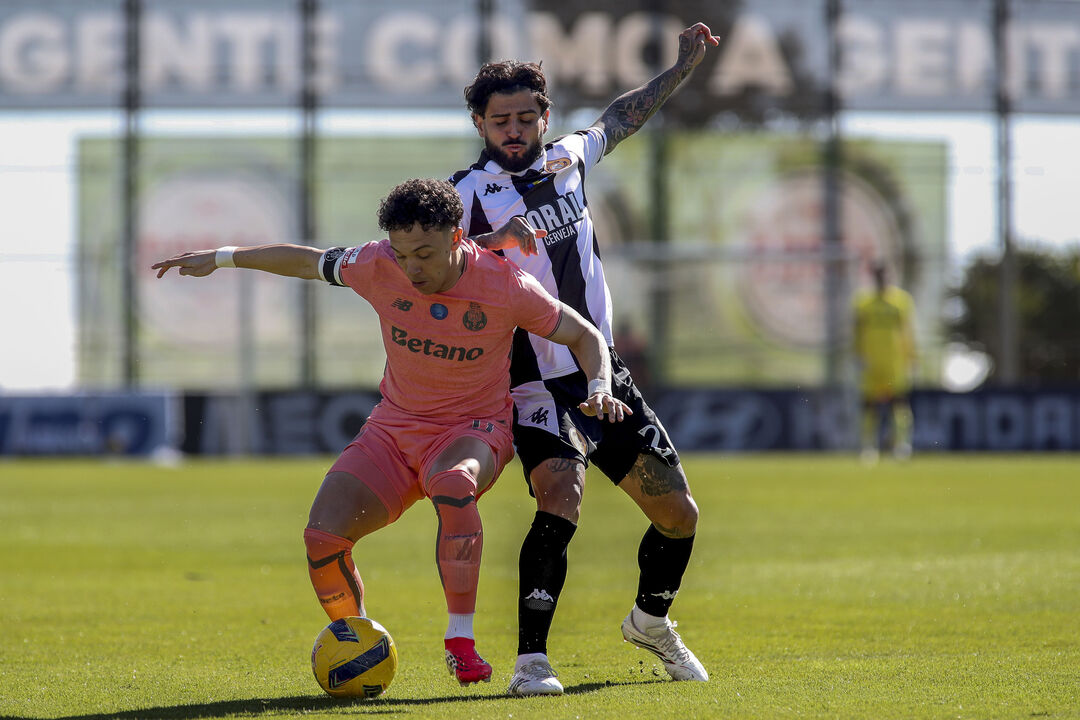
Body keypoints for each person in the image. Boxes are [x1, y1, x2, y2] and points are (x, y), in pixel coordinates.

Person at [150, 178, 631, 687]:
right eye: (403, 255)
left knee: (453, 484)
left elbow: (583, 333)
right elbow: (306, 262)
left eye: (424, 253)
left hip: (474, 430)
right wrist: (224, 257)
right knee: (322, 537)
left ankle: (460, 643)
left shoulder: (504, 284)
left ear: (457, 236)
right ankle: (355, 645)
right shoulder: (375, 264)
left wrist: (600, 384)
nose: (412, 268)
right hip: (395, 428)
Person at [448, 22, 719, 695]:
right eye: (498, 119)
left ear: (544, 116)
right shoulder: (463, 195)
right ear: (479, 124)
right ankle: (531, 663)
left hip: (602, 371)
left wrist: (681, 66)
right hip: (531, 378)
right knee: (560, 496)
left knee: (679, 515)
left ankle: (650, 622)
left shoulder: (571, 157)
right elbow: (425, 268)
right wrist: (486, 249)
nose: (512, 129)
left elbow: (623, 116)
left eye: (524, 117)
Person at [853, 260, 917, 464]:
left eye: (885, 275)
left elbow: (908, 332)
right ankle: (868, 447)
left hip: (894, 362)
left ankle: (901, 445)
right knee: (868, 406)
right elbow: (856, 332)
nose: (881, 279)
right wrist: (857, 355)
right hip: (871, 363)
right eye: (878, 275)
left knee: (898, 405)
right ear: (873, 277)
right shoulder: (863, 303)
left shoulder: (901, 301)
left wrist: (911, 357)